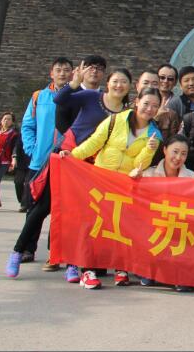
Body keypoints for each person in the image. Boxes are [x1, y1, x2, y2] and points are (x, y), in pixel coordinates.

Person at [60, 86, 163, 289]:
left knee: (119, 227)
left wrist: (149, 150)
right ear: (137, 102)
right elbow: (94, 143)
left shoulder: (155, 134)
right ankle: (87, 270)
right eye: (146, 103)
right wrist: (73, 156)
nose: (149, 109)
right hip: (99, 180)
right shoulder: (116, 120)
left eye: (155, 106)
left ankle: (120, 267)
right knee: (93, 225)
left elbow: (139, 165)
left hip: (124, 185)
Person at [51, 63, 131, 277]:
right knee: (70, 211)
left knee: (96, 216)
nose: (119, 85)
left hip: (100, 169)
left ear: (130, 86)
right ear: (108, 83)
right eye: (115, 81)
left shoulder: (127, 113)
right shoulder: (91, 97)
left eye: (124, 82)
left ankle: (92, 262)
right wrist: (73, 84)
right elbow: (59, 101)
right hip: (75, 158)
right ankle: (71, 262)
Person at [7, 57, 72, 272]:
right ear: (51, 73)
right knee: (34, 206)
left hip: (64, 161)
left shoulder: (75, 97)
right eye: (58, 70)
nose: (62, 73)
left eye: (66, 70)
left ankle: (55, 252)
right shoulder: (39, 97)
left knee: (59, 208)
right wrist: (32, 149)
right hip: (39, 161)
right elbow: (28, 125)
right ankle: (28, 248)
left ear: (72, 74)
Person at [130, 133, 194, 291]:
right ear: (165, 150)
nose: (178, 157)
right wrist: (133, 180)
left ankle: (179, 274)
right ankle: (149, 269)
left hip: (179, 229)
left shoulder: (192, 177)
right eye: (175, 151)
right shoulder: (148, 174)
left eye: (183, 153)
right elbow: (133, 201)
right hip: (153, 229)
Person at [54, 55, 107, 137]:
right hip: (72, 141)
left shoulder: (105, 97)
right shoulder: (70, 93)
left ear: (104, 73)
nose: (94, 71)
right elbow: (60, 122)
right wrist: (73, 138)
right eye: (90, 68)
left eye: (99, 68)